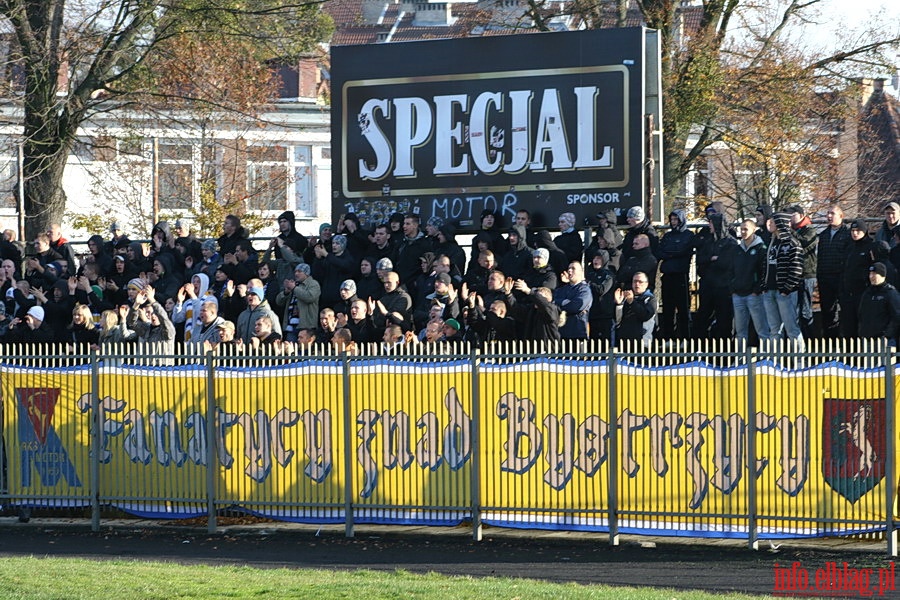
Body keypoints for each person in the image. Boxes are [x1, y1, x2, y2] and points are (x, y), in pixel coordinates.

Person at [762, 213, 804, 348]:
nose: (770, 224)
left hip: (785, 292)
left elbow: (797, 268)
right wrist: (764, 284)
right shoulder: (772, 242)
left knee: (792, 328)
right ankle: (776, 361)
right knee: (774, 330)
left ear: (780, 224)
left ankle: (799, 361)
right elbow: (766, 265)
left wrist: (787, 288)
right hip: (769, 290)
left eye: (773, 222)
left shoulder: (793, 243)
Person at [656, 209, 695, 339]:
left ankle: (685, 337)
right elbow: (660, 252)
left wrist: (670, 254)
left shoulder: (688, 235)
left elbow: (683, 251)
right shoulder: (668, 236)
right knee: (668, 308)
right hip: (667, 275)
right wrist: (673, 254)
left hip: (681, 275)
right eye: (672, 220)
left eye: (676, 220)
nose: (673, 222)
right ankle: (668, 337)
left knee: (683, 308)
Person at [730, 219, 769, 344]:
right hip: (738, 294)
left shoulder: (761, 249)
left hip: (754, 295)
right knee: (740, 331)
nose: (743, 231)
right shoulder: (737, 249)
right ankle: (740, 361)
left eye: (746, 229)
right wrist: (733, 289)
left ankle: (766, 359)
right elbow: (731, 270)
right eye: (741, 229)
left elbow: (764, 271)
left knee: (761, 329)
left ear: (754, 230)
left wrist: (757, 290)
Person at [816, 205, 852, 338]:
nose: (829, 216)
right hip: (825, 277)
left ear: (841, 216)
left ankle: (846, 343)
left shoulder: (847, 233)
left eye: (833, 213)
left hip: (841, 277)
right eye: (828, 214)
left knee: (845, 310)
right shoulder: (824, 235)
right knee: (827, 311)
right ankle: (830, 342)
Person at [788, 205, 818, 338]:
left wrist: (790, 231)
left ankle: (811, 343)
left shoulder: (810, 230)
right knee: (794, 312)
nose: (790, 218)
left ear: (800, 215)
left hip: (807, 274)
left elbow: (803, 243)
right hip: (793, 275)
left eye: (792, 215)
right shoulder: (791, 231)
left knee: (806, 311)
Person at [841, 219, 873, 338]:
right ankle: (850, 356)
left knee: (864, 327)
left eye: (858, 230)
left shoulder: (870, 246)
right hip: (848, 294)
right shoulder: (849, 247)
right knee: (849, 328)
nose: (855, 233)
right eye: (853, 230)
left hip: (863, 293)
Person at [277, 263, 321, 342]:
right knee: (291, 351)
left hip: (306, 326)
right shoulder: (294, 285)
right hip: (291, 326)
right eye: (295, 272)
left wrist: (294, 288)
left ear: (306, 273)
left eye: (299, 271)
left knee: (305, 351)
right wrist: (286, 292)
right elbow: (279, 302)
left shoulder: (313, 284)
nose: (296, 274)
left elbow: (309, 297)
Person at [857, 262, 900, 344]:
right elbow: (861, 314)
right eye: (870, 274)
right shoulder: (867, 293)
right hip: (867, 339)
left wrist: (887, 334)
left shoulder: (890, 293)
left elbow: (897, 317)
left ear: (882, 275)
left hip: (885, 340)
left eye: (874, 274)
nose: (871, 277)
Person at [614, 272, 657, 345]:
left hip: (642, 341)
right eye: (635, 281)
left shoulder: (650, 299)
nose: (637, 284)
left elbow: (645, 315)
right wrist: (619, 304)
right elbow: (618, 320)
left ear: (646, 284)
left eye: (640, 282)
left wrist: (632, 302)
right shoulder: (626, 298)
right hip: (624, 340)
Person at [552, 261, 592, 339]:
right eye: (569, 268)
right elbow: (553, 305)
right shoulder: (561, 290)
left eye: (573, 268)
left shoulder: (584, 290)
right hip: (561, 333)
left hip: (577, 333)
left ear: (581, 272)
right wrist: (564, 302)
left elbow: (576, 306)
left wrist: (561, 305)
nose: (570, 270)